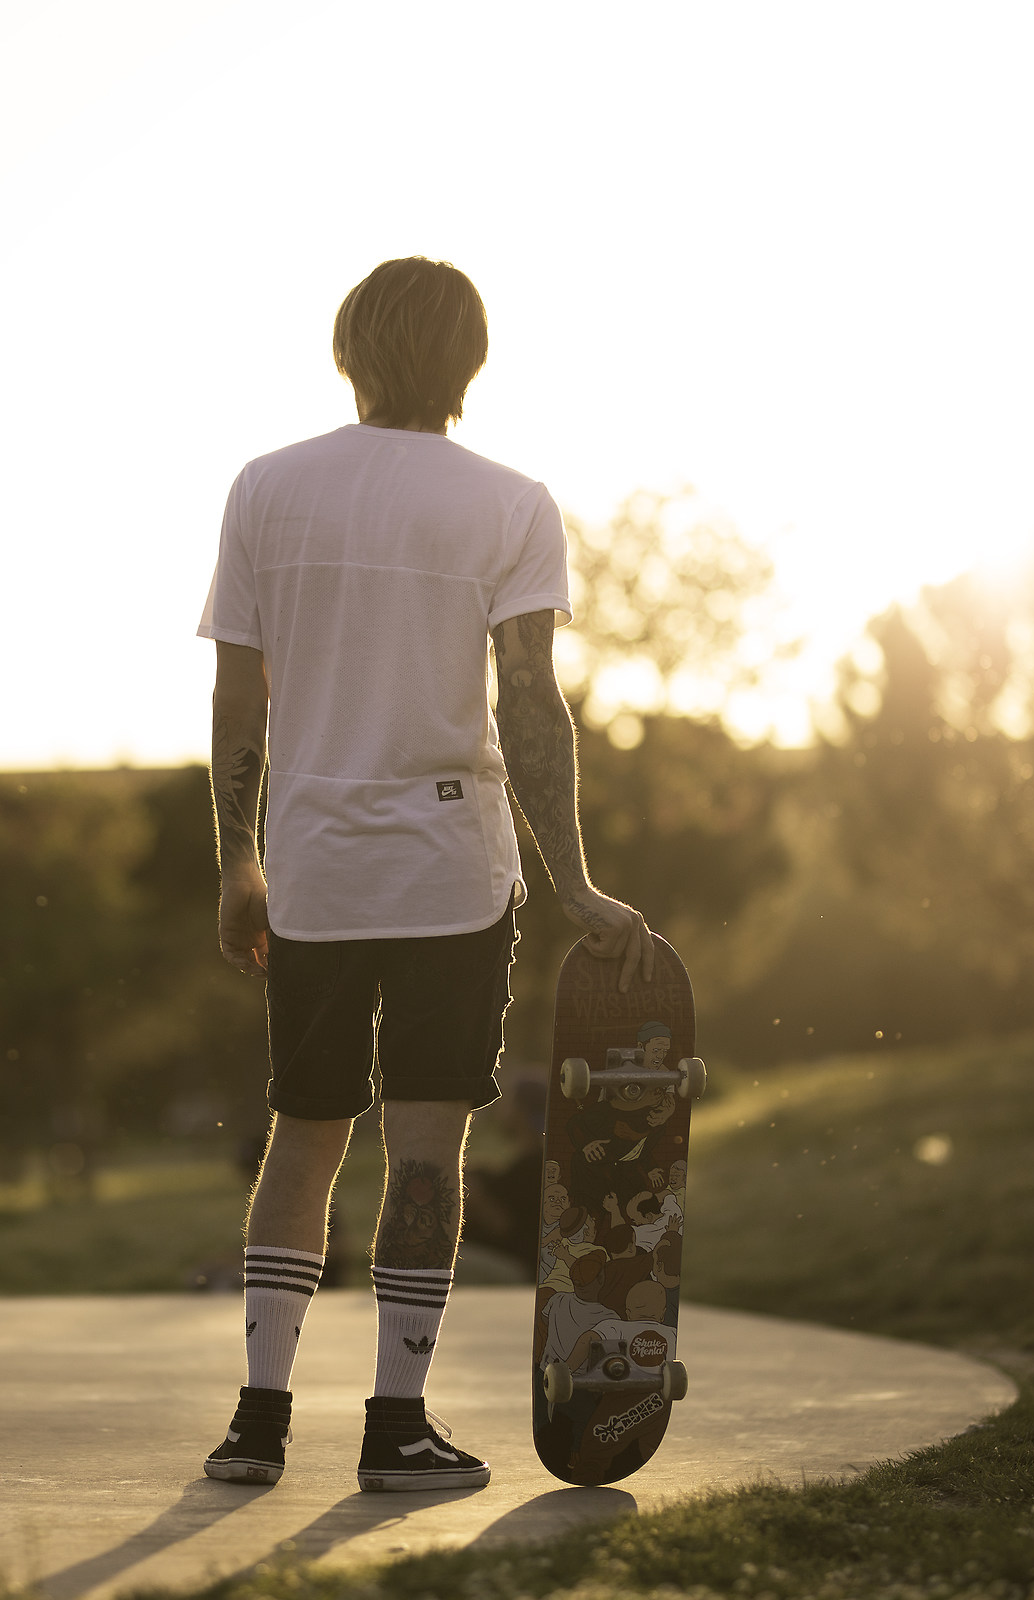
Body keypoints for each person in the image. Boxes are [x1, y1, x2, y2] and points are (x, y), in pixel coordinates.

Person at [194, 256, 655, 1492]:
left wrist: (239, 860)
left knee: (301, 1140)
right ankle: (397, 1426)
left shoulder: (268, 489)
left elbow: (241, 698)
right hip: (452, 871)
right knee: (423, 1151)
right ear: (474, 361)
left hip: (317, 868)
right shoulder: (510, 502)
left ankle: (257, 1423)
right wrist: (574, 884)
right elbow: (530, 702)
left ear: (348, 351)